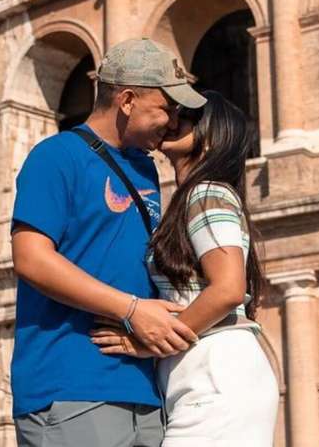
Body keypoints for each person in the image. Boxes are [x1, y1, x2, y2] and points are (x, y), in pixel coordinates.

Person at [10, 38, 206, 447]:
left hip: (141, 388)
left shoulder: (144, 170)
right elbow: (31, 259)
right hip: (70, 384)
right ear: (128, 100)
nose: (172, 122)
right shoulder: (55, 156)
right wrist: (132, 310)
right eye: (166, 109)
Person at [92, 91, 279, 446]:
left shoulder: (206, 192)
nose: (172, 119)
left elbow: (228, 290)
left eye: (187, 115)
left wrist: (153, 342)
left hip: (216, 378)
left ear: (212, 134)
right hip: (211, 377)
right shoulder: (199, 196)